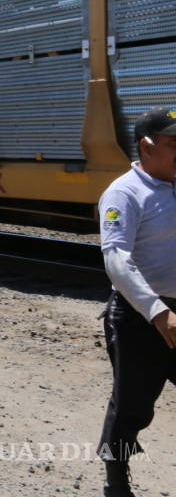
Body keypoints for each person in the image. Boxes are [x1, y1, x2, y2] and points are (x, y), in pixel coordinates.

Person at [96, 106, 176, 497]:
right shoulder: (124, 193)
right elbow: (116, 258)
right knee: (133, 405)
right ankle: (116, 478)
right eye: (173, 143)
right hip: (141, 314)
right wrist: (157, 311)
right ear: (147, 146)